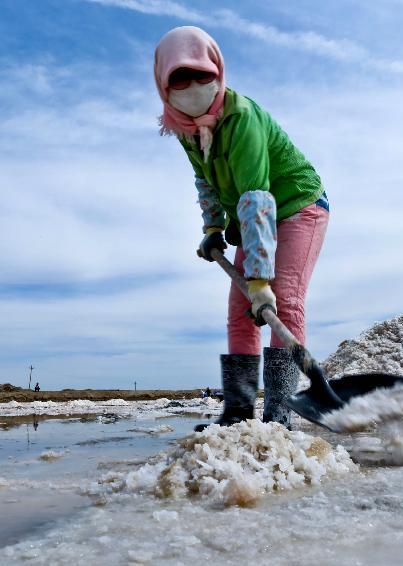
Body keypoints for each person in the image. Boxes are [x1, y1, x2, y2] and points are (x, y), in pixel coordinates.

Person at [154, 27, 329, 431]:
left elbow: (256, 197)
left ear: (217, 70)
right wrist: (214, 227)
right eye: (180, 78)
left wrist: (260, 279)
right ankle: (237, 411)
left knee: (280, 298)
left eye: (202, 74)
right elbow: (205, 181)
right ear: (163, 83)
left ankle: (279, 413)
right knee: (240, 310)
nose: (193, 86)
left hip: (298, 205)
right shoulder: (184, 126)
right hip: (251, 219)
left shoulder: (241, 118)